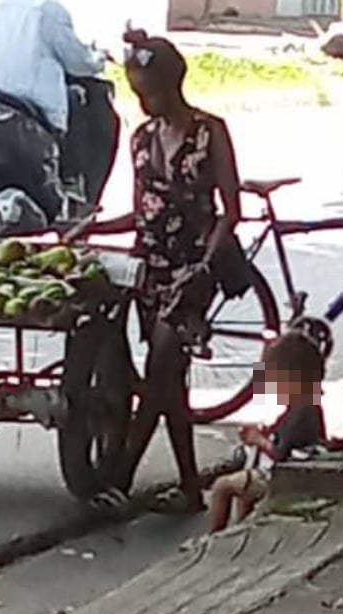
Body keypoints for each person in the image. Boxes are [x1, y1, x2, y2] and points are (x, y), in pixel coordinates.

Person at [87, 29, 243, 514]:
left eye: (146, 91)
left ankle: (121, 477)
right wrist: (88, 229)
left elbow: (230, 210)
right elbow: (143, 212)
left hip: (195, 269)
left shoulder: (211, 131)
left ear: (170, 85)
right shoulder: (141, 140)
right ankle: (191, 488)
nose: (141, 101)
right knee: (170, 382)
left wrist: (203, 264)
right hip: (150, 269)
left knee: (160, 369)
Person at [0, 0, 107, 198]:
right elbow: (78, 63)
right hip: (28, 106)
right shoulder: (47, 10)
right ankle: (71, 184)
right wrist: (99, 58)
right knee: (80, 104)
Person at [209, 332, 327, 533]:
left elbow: (280, 452)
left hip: (278, 476)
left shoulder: (301, 411)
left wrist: (258, 439)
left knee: (221, 487)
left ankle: (215, 532)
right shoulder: (310, 406)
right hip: (287, 473)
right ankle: (242, 528)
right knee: (243, 488)